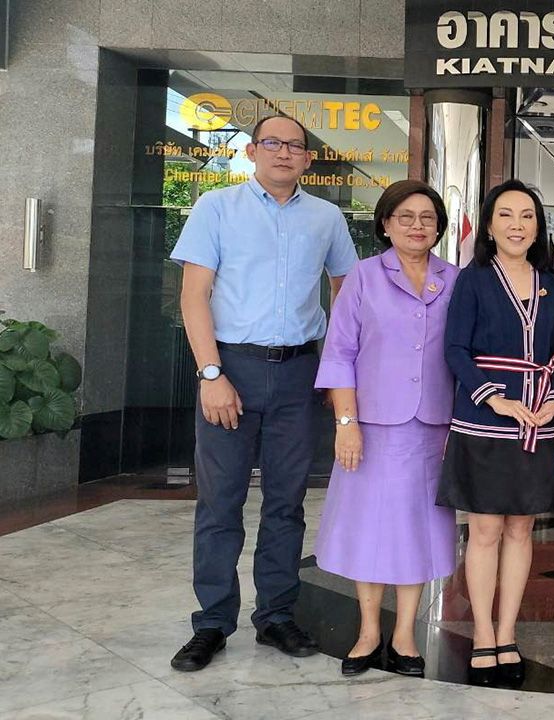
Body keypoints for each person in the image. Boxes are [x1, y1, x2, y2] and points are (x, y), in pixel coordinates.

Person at [169, 114, 359, 671]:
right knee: (221, 501)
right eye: (272, 143)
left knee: (286, 502)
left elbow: (345, 291)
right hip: (231, 369)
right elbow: (193, 296)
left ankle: (276, 615)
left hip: (299, 374)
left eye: (295, 146)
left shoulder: (326, 218)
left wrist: (335, 371)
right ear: (252, 151)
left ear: (307, 159)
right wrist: (210, 374)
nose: (284, 153)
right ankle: (212, 623)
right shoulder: (217, 209)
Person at [311, 180, 459, 678]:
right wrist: (345, 422)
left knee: (419, 529)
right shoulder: (363, 277)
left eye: (427, 218)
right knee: (370, 529)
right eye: (406, 217)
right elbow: (339, 355)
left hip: (434, 427)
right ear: (386, 224)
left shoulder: (455, 280)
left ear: (439, 227)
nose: (417, 226)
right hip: (372, 426)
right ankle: (369, 630)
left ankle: (404, 635)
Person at [436, 179, 554, 687]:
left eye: (528, 216)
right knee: (486, 529)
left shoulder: (549, 282)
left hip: (536, 422)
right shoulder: (472, 280)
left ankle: (509, 631)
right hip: (484, 420)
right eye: (507, 215)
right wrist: (494, 397)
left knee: (521, 529)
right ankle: (483, 633)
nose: (518, 225)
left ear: (538, 227)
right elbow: (455, 350)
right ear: (489, 226)